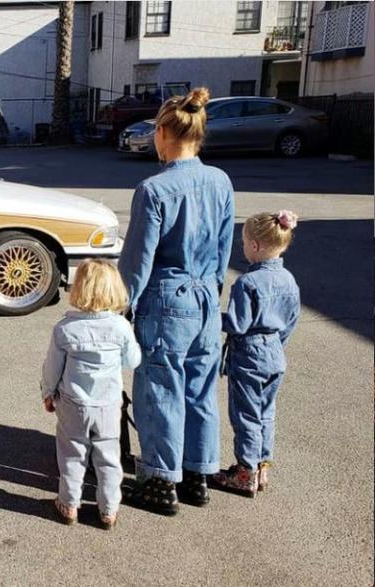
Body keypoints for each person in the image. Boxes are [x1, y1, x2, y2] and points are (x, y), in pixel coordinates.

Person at [117, 87, 235, 515]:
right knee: (200, 389)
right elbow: (224, 247)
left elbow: (138, 261)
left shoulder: (153, 189)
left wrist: (120, 307)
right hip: (205, 296)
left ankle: (160, 481)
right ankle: (197, 474)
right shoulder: (220, 181)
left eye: (154, 133)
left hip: (166, 301)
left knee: (161, 390)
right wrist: (213, 290)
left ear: (165, 132)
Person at [40, 259, 141, 529]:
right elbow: (133, 360)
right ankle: (108, 510)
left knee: (72, 454)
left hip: (73, 402)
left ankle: (69, 504)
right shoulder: (120, 327)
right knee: (108, 458)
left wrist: (48, 392)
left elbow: (52, 367)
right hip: (107, 403)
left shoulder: (65, 329)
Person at [212, 211, 300, 497]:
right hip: (275, 351)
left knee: (245, 414)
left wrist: (213, 318)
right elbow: (291, 321)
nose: (243, 248)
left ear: (255, 246)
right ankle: (262, 467)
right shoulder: (289, 280)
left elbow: (237, 324)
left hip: (249, 355)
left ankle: (245, 471)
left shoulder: (247, 283)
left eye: (244, 243)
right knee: (266, 412)